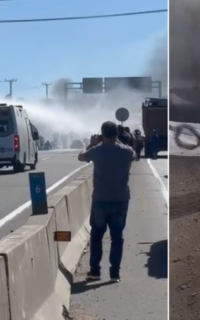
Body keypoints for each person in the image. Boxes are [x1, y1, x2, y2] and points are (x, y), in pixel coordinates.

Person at [77, 121, 135, 283]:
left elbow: (81, 156)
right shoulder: (126, 151)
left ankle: (95, 271)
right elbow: (133, 153)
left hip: (100, 200)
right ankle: (114, 273)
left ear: (102, 134)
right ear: (117, 134)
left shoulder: (97, 150)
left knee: (96, 236)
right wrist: (118, 142)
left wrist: (91, 143)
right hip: (121, 200)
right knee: (117, 237)